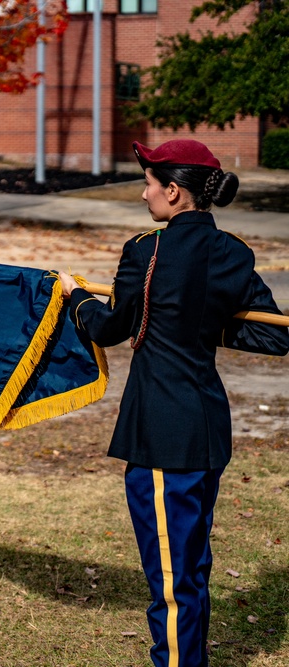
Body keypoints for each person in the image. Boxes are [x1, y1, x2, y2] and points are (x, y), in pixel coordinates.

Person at [58, 139, 289, 666]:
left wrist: (75, 298)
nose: (144, 195)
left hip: (163, 435)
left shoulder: (145, 249)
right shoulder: (234, 252)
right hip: (208, 429)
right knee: (190, 566)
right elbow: (275, 336)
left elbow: (110, 328)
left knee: (170, 579)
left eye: (148, 184)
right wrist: (197, 327)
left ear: (174, 191)